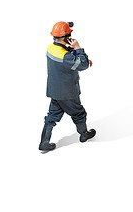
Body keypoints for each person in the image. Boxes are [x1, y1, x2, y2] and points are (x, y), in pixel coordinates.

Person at [39, 21, 96, 151]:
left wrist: (78, 56)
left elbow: (67, 58)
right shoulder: (65, 56)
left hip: (55, 90)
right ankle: (84, 134)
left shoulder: (51, 48)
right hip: (68, 92)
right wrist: (78, 48)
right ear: (65, 38)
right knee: (78, 113)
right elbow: (83, 66)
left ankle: (44, 142)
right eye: (69, 35)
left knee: (52, 116)